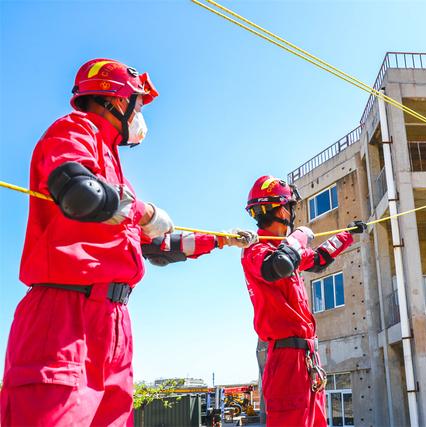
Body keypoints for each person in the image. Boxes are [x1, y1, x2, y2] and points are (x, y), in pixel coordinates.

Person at [0, 58, 255, 426]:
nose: (140, 114)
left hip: (114, 322)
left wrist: (220, 241)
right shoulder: (73, 130)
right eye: (138, 103)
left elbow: (157, 246)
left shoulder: (114, 170)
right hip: (64, 316)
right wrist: (146, 212)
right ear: (118, 100)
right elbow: (80, 192)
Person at [240, 176, 366, 427]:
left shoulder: (286, 249)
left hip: (307, 358)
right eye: (292, 207)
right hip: (286, 360)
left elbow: (318, 259)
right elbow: (279, 265)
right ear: (283, 209)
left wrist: (347, 235)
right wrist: (298, 236)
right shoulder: (257, 250)